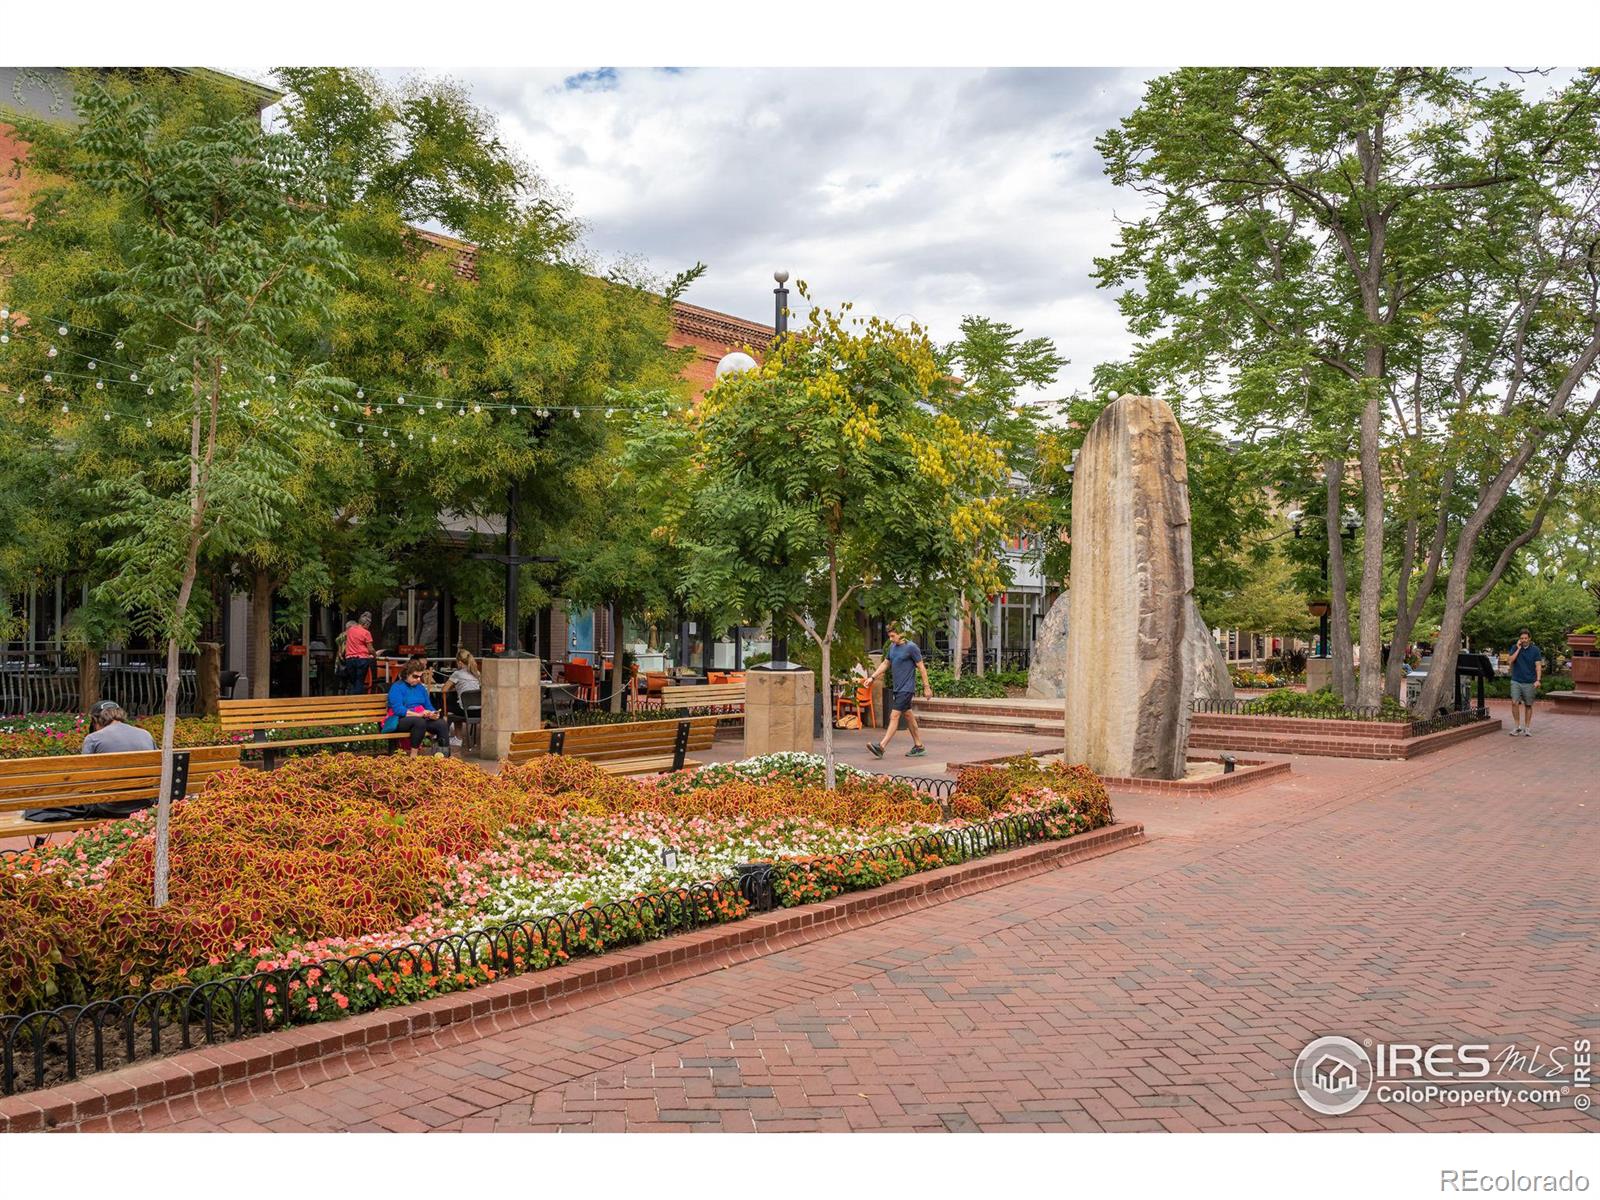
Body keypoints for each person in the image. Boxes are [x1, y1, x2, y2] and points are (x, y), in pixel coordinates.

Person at [25, 700, 157, 823]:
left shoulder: (93, 738)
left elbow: (84, 782)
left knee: (42, 807)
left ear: (95, 720)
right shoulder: (145, 734)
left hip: (109, 807)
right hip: (143, 804)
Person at [864, 624, 934, 759]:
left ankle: (881, 747)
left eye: (892, 636)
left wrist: (926, 687)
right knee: (908, 716)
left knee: (894, 716)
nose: (890, 639)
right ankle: (919, 746)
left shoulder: (911, 647)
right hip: (898, 688)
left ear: (901, 633)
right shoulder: (892, 648)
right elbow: (885, 663)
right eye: (889, 636)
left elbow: (921, 667)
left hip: (906, 689)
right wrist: (872, 677)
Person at [385, 657, 450, 757]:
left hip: (420, 719)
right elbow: (398, 710)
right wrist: (419, 714)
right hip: (399, 719)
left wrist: (433, 713)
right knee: (419, 721)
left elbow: (428, 706)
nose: (418, 679)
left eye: (420, 676)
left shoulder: (420, 688)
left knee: (441, 723)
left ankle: (443, 756)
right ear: (406, 674)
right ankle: (413, 755)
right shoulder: (397, 687)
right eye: (415, 676)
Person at [441, 647, 481, 749]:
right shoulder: (477, 674)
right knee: (457, 704)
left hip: (465, 710)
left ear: (459, 662)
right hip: (478, 710)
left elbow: (444, 689)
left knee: (448, 706)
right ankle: (457, 737)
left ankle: (457, 738)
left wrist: (454, 687)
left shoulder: (457, 674)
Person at [1507, 627, 1543, 737]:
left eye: (1526, 638)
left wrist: (1538, 680)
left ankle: (1527, 728)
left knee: (1528, 705)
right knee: (1514, 702)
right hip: (1516, 680)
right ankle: (1517, 727)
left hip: (1529, 682)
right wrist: (1518, 649)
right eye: (1522, 638)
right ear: (1519, 639)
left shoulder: (1535, 650)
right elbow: (1510, 661)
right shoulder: (1515, 647)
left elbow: (1538, 666)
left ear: (1529, 639)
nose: (1524, 640)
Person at [344, 611, 376, 695]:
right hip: (362, 659)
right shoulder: (366, 633)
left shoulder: (350, 630)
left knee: (352, 682)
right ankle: (357, 702)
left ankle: (350, 700)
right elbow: (370, 649)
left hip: (349, 659)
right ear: (366, 624)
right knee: (359, 681)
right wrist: (374, 654)